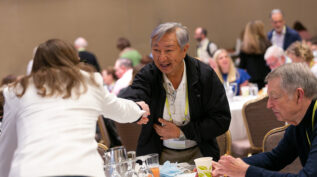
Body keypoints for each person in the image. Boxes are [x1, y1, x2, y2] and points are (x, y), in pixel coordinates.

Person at [0, 39, 150, 177]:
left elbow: (8, 144)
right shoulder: (90, 81)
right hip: (82, 169)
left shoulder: (16, 90)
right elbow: (118, 109)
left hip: (32, 170)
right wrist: (138, 111)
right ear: (74, 59)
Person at [119, 22, 231, 164]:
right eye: (156, 50)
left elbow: (221, 120)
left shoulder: (205, 75)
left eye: (168, 50)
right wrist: (135, 107)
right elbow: (129, 96)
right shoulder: (148, 75)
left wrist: (181, 132)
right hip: (158, 155)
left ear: (185, 50)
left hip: (200, 152)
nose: (162, 58)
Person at [212, 63, 317, 177]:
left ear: (298, 95)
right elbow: (275, 158)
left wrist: (245, 171)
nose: (268, 105)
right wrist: (230, 165)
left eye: (275, 97)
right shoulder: (299, 120)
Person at [239, 20, 271, 89]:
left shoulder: (244, 47)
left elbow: (242, 67)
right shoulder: (267, 44)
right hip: (267, 79)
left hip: (252, 81)